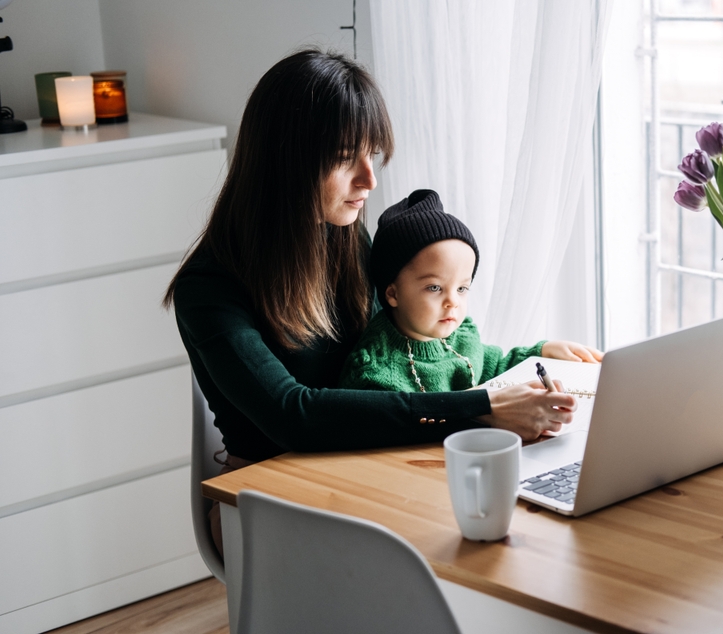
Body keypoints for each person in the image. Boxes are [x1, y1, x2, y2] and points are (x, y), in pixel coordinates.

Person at [162, 49, 577, 556]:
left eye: (371, 154)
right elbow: (295, 414)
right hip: (265, 498)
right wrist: (481, 409)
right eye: (343, 159)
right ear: (284, 161)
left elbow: (412, 347)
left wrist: (527, 357)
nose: (369, 180)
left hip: (363, 464)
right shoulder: (209, 286)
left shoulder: (341, 239)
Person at [339, 189, 601, 393]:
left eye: (463, 288)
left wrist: (542, 351)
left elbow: (495, 367)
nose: (452, 302)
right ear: (393, 294)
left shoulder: (460, 337)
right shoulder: (374, 370)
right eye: (434, 288)